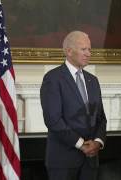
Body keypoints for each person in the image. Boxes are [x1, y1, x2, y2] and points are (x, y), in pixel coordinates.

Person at [40, 31, 107, 180]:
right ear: (69, 51)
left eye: (90, 49)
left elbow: (101, 118)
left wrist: (98, 142)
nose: (88, 54)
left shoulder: (93, 81)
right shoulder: (53, 79)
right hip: (63, 162)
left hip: (90, 162)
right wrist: (81, 144)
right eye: (84, 49)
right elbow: (53, 120)